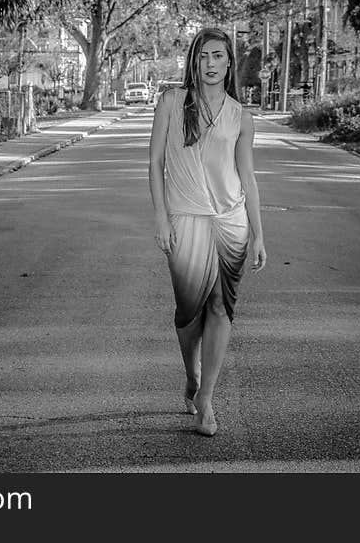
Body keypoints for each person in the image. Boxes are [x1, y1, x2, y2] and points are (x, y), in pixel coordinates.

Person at [148, 27, 267, 437]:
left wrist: (258, 233)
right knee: (188, 313)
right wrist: (161, 218)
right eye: (203, 56)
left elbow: (247, 177)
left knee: (221, 308)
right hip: (184, 219)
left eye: (218, 56)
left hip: (230, 221)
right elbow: (155, 165)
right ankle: (191, 372)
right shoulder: (170, 103)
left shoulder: (241, 116)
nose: (211, 64)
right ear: (193, 61)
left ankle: (207, 400)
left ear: (229, 62)